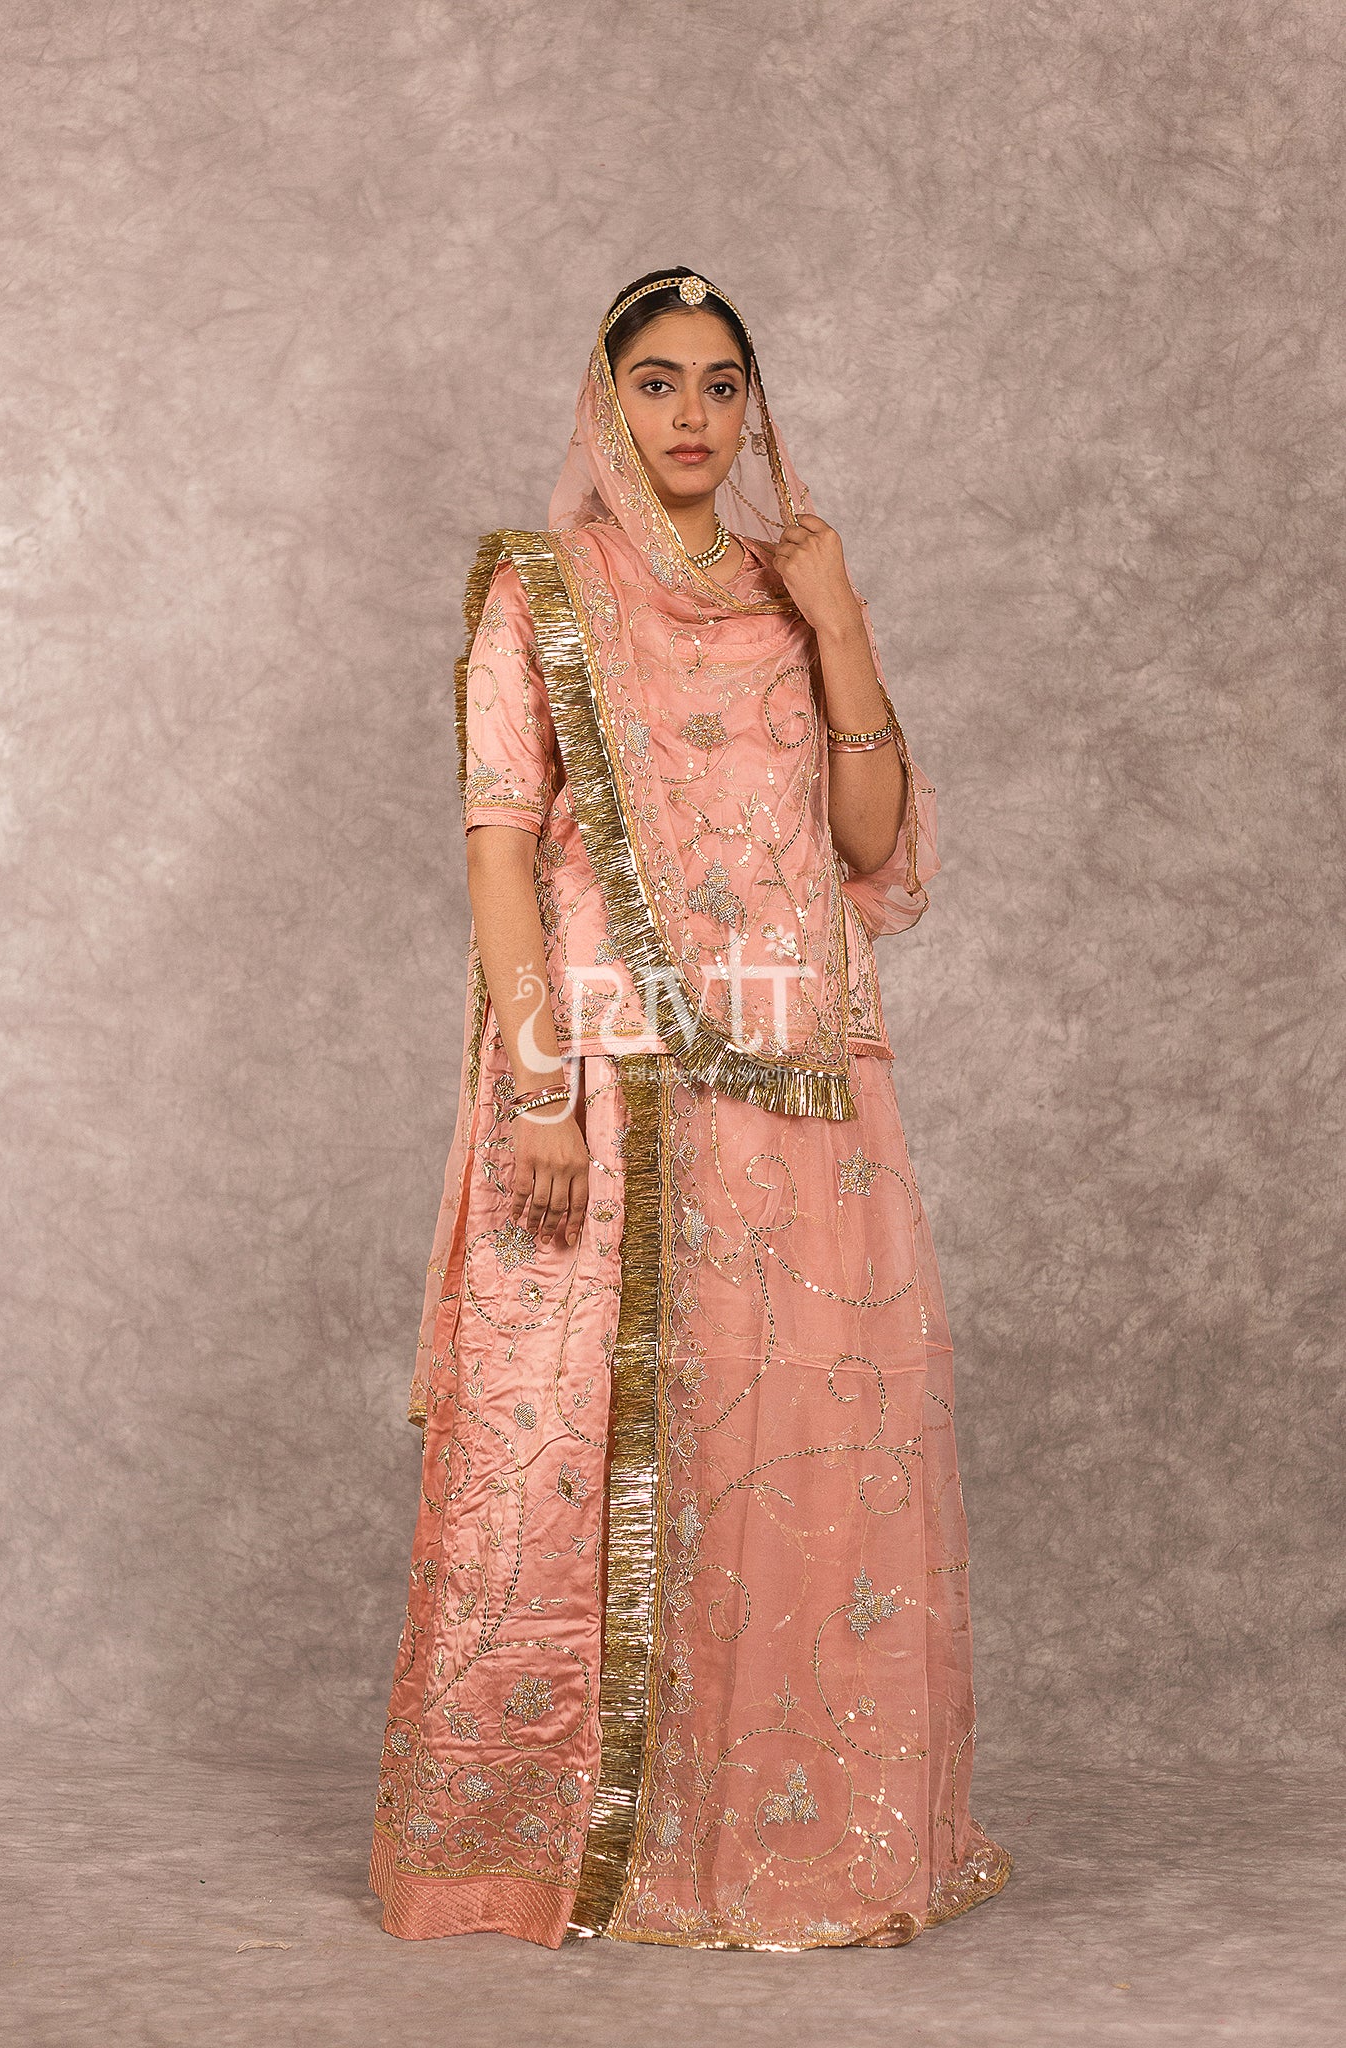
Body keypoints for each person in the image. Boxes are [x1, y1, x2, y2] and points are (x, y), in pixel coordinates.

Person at [368, 268, 1012, 1950]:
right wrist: (537, 1084)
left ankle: (768, 1839)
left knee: (781, 1450)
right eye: (656, 382)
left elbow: (867, 846)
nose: (691, 417)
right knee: (568, 1454)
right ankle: (550, 1849)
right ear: (605, 400)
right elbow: (499, 848)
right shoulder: (543, 593)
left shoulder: (787, 593)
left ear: (753, 411)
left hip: (793, 1088)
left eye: (722, 386)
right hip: (603, 1080)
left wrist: (840, 618)